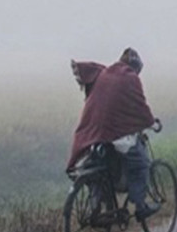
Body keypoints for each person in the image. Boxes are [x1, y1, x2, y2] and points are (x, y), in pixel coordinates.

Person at [66, 47, 160, 221]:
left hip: (93, 133)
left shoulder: (105, 73)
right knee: (141, 164)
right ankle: (139, 206)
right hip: (115, 133)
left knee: (98, 167)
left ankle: (97, 205)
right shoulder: (131, 78)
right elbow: (140, 105)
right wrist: (151, 122)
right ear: (136, 67)